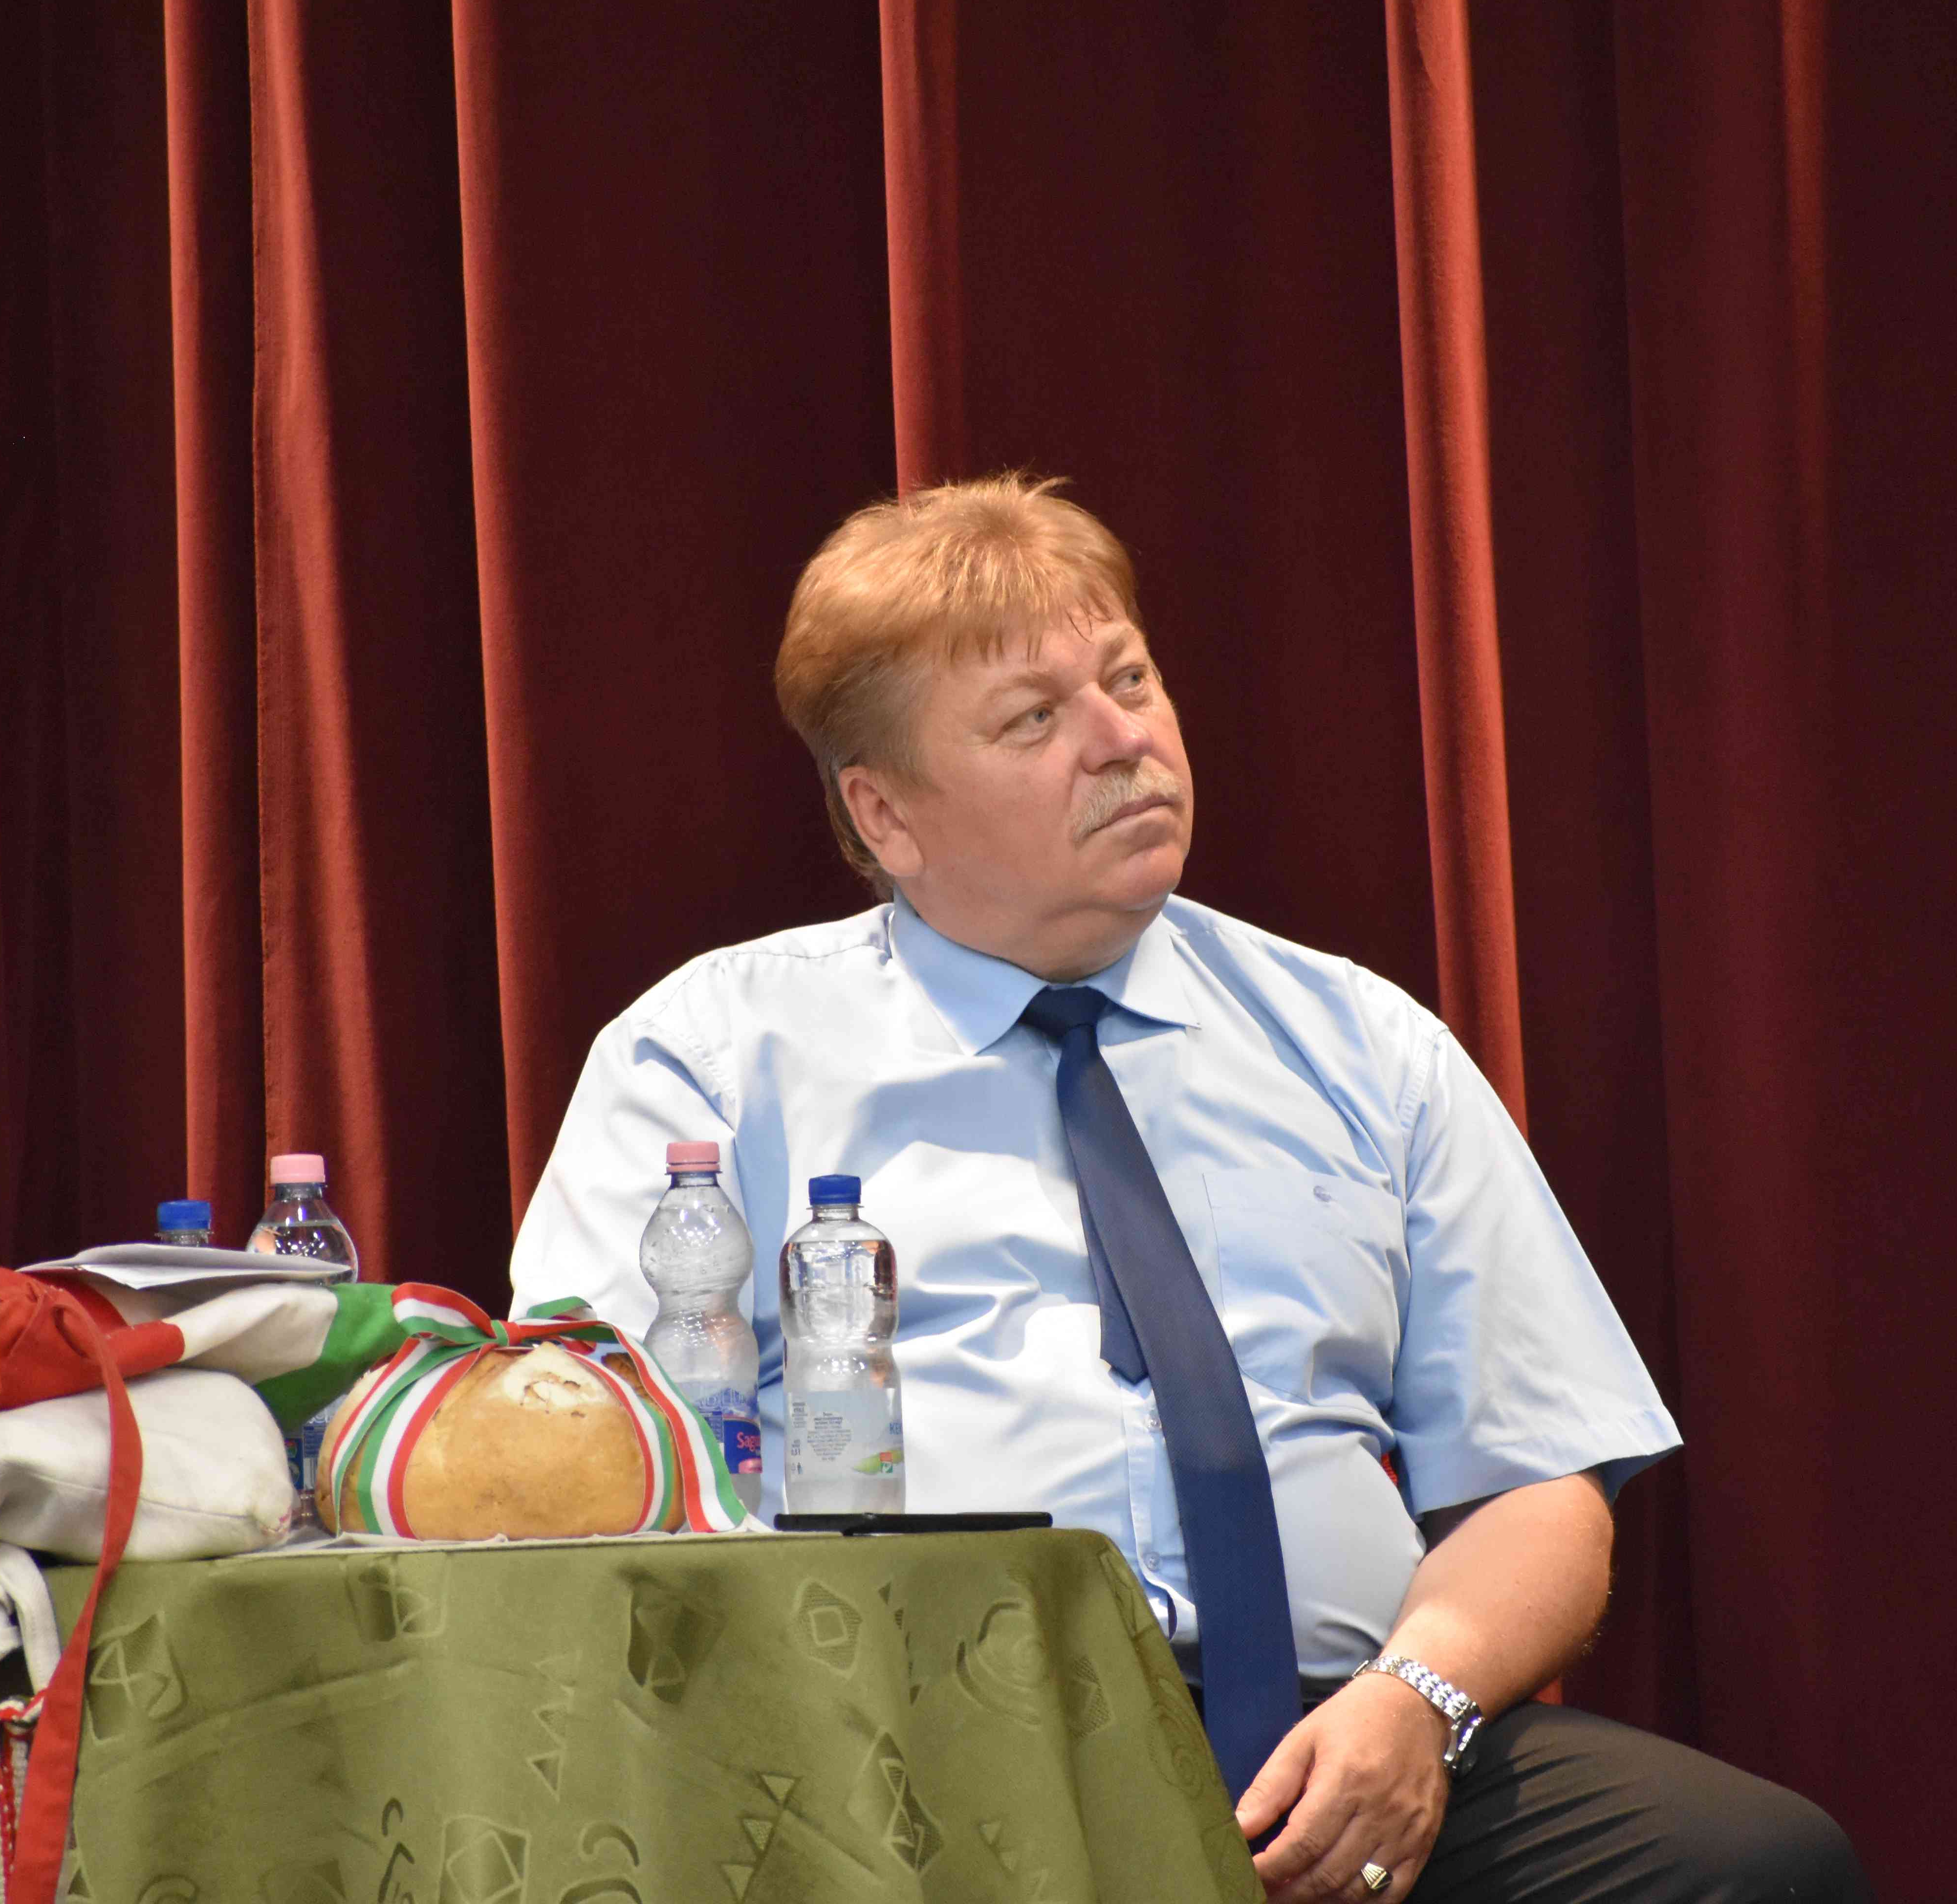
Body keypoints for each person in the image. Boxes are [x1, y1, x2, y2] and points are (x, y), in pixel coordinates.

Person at [509, 476, 1869, 1903]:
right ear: (886, 813)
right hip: (910, 1760)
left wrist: (1417, 1701)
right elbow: (587, 1468)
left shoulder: (1361, 1043)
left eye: (1130, 679)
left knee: (1751, 1866)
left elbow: (1541, 1481)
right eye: (1034, 720)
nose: (1125, 741)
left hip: (1342, 1732)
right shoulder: (715, 1059)